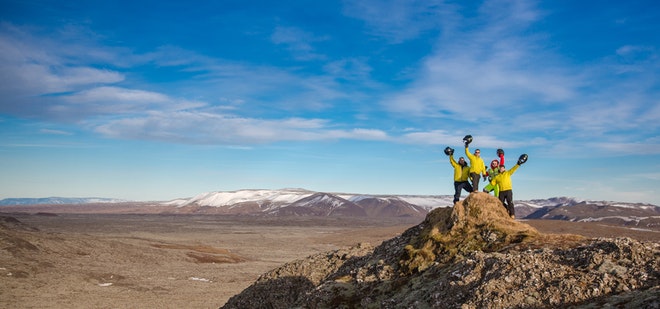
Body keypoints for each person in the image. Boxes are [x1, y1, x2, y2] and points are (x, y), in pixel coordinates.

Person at [489, 154, 528, 219]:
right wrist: (489, 182)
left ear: (504, 168)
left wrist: (518, 164)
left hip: (508, 190)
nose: (501, 169)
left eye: (502, 168)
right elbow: (492, 183)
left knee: (510, 202)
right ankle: (505, 210)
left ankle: (512, 214)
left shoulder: (508, 173)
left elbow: (513, 169)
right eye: (500, 168)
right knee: (500, 203)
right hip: (501, 191)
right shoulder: (497, 177)